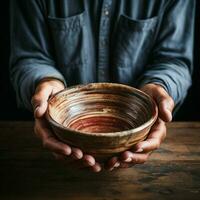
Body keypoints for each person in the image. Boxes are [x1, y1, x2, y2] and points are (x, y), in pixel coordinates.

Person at [10, 0, 195, 172]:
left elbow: (174, 59)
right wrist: (45, 82)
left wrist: (159, 87)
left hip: (137, 136)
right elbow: (29, 57)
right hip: (54, 152)